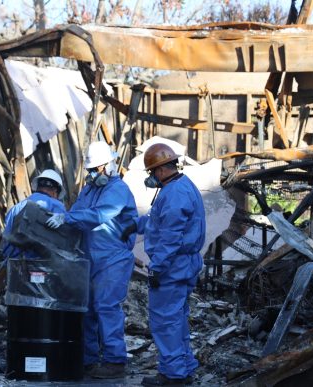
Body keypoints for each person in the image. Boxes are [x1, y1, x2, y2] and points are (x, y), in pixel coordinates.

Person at [45, 141, 138, 379]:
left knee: (106, 308)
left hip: (112, 259)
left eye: (96, 169)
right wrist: (64, 220)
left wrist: (66, 219)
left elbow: (98, 215)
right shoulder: (89, 190)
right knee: (87, 311)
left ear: (109, 166)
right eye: (90, 169)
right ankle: (88, 360)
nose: (92, 173)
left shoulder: (118, 190)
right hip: (90, 259)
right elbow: (77, 212)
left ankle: (115, 361)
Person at [130, 143, 205, 386]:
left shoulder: (174, 194)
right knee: (177, 320)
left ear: (161, 170)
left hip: (172, 267)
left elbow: (170, 237)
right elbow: (158, 222)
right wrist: (134, 224)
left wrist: (157, 268)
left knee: (165, 322)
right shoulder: (180, 187)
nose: (151, 177)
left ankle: (173, 375)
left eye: (152, 173)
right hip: (183, 264)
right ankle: (184, 368)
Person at [0, 169, 66, 259]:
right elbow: (63, 237)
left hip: (11, 261)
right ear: (55, 191)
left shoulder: (15, 208)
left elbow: (6, 235)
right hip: (38, 263)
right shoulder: (56, 205)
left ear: (38, 187)